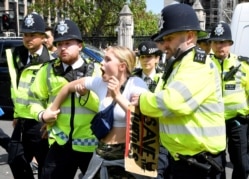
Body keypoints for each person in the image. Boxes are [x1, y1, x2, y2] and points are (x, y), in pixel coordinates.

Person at [131, 4, 226, 179]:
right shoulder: (180, 64)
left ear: (189, 36)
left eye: (169, 38)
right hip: (183, 159)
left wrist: (143, 100)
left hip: (200, 164)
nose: (163, 45)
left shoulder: (198, 65)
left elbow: (171, 102)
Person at [42, 45, 149, 178]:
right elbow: (68, 87)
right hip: (101, 154)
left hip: (125, 157)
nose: (101, 63)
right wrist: (52, 110)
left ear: (122, 66)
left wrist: (118, 96)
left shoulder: (136, 84)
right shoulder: (100, 83)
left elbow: (144, 119)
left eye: (107, 60)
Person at [29, 19, 100, 179]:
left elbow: (106, 105)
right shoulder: (47, 70)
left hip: (90, 144)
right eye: (60, 44)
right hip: (60, 143)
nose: (63, 48)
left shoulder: (96, 71)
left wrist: (85, 96)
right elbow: (32, 100)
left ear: (80, 45)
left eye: (68, 43)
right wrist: (42, 115)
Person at [6, 12, 54, 179]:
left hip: (41, 122)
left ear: (43, 37)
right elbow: (16, 88)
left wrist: (51, 121)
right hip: (21, 120)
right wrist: (16, 114)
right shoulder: (16, 54)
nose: (28, 39)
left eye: (32, 35)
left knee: (44, 166)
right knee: (14, 159)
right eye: (25, 35)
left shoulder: (51, 60)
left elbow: (54, 93)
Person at [209, 21, 249, 179]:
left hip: (237, 122)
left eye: (224, 42)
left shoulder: (243, 65)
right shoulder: (204, 66)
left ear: (230, 43)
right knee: (215, 164)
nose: (220, 46)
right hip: (213, 122)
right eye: (216, 42)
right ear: (211, 44)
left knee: (241, 162)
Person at [133, 41, 171, 179]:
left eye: (149, 57)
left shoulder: (166, 78)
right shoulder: (132, 78)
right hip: (137, 135)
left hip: (160, 134)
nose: (145, 60)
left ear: (157, 59)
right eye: (142, 57)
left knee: (159, 172)